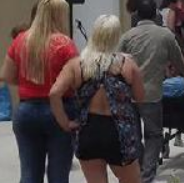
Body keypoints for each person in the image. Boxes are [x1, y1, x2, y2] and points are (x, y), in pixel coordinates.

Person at [51, 16, 144, 183]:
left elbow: (54, 93)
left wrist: (64, 122)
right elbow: (141, 97)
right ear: (116, 36)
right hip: (119, 131)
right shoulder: (127, 64)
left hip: (88, 130)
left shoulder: (76, 65)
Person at [1, 0, 78, 183]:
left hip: (26, 110)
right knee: (58, 174)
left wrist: (30, 84)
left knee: (29, 173)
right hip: (59, 110)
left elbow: (7, 75)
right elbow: (76, 81)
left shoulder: (20, 40)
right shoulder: (65, 44)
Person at [118, 0, 184, 183]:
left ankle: (138, 170)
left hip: (130, 94)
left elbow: (116, 65)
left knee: (134, 135)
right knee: (154, 135)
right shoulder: (165, 35)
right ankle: (147, 175)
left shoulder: (127, 36)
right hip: (152, 94)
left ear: (137, 15)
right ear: (156, 14)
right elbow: (180, 62)